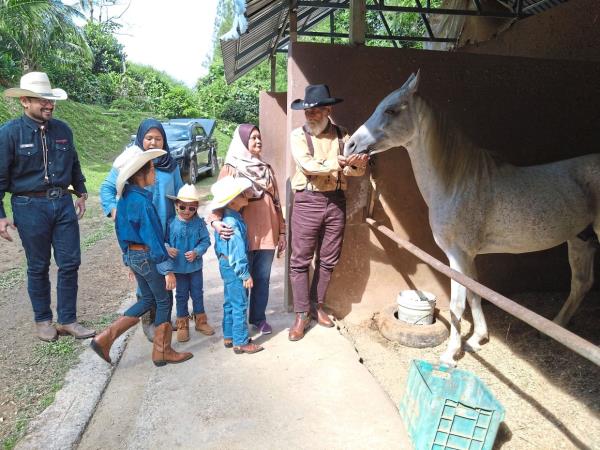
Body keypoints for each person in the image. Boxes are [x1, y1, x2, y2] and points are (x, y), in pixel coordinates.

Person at [0, 72, 95, 341]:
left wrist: (81, 192)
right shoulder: (9, 134)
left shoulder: (63, 130)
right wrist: (1, 216)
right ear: (25, 102)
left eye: (50, 100)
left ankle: (67, 320)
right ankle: (43, 320)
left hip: (63, 203)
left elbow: (74, 164)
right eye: (42, 100)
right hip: (29, 206)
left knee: (70, 262)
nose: (49, 105)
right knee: (38, 265)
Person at [91, 146, 193, 366]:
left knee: (147, 299)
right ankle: (163, 351)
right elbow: (154, 238)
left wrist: (127, 259)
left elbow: (120, 232)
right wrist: (167, 269)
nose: (155, 174)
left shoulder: (125, 198)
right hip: (148, 257)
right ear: (140, 174)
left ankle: (106, 337)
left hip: (134, 256)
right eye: (152, 170)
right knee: (164, 300)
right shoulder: (143, 203)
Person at [288, 84, 368, 341]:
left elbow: (353, 173)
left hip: (336, 201)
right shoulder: (298, 136)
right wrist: (338, 162)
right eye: (307, 111)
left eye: (315, 111)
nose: (310, 116)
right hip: (307, 200)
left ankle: (316, 306)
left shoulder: (344, 135)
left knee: (328, 259)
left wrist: (358, 165)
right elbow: (307, 165)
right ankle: (301, 314)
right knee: (300, 260)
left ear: (328, 110)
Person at [100, 118, 184, 342]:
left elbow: (180, 192)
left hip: (163, 229)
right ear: (140, 138)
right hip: (143, 235)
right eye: (149, 138)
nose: (153, 142)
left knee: (157, 287)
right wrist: (117, 212)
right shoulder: (133, 163)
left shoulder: (170, 164)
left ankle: (159, 323)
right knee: (153, 284)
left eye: (158, 138)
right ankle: (154, 329)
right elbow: (108, 189)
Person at [209, 124, 285, 334]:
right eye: (252, 138)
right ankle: (238, 325)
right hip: (241, 235)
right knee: (242, 278)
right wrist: (215, 222)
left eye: (259, 137)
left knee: (262, 279)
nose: (258, 141)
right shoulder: (231, 168)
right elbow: (219, 198)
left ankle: (258, 318)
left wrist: (282, 232)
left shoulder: (267, 169)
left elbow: (277, 202)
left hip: (269, 233)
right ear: (242, 142)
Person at [211, 176, 263, 354]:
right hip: (235, 267)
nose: (246, 195)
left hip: (226, 264)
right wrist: (245, 274)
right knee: (240, 303)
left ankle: (229, 335)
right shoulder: (232, 223)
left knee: (230, 301)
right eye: (242, 194)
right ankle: (241, 341)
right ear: (233, 201)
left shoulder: (228, 218)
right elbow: (237, 251)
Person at [165, 183, 213, 342]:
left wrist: (197, 252)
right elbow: (162, 241)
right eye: (183, 207)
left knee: (198, 293)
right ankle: (182, 324)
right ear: (176, 205)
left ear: (197, 208)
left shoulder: (199, 224)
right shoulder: (170, 223)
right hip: (178, 269)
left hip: (195, 268)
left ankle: (200, 321)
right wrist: (167, 248)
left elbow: (206, 241)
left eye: (191, 208)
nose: (187, 211)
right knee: (181, 295)